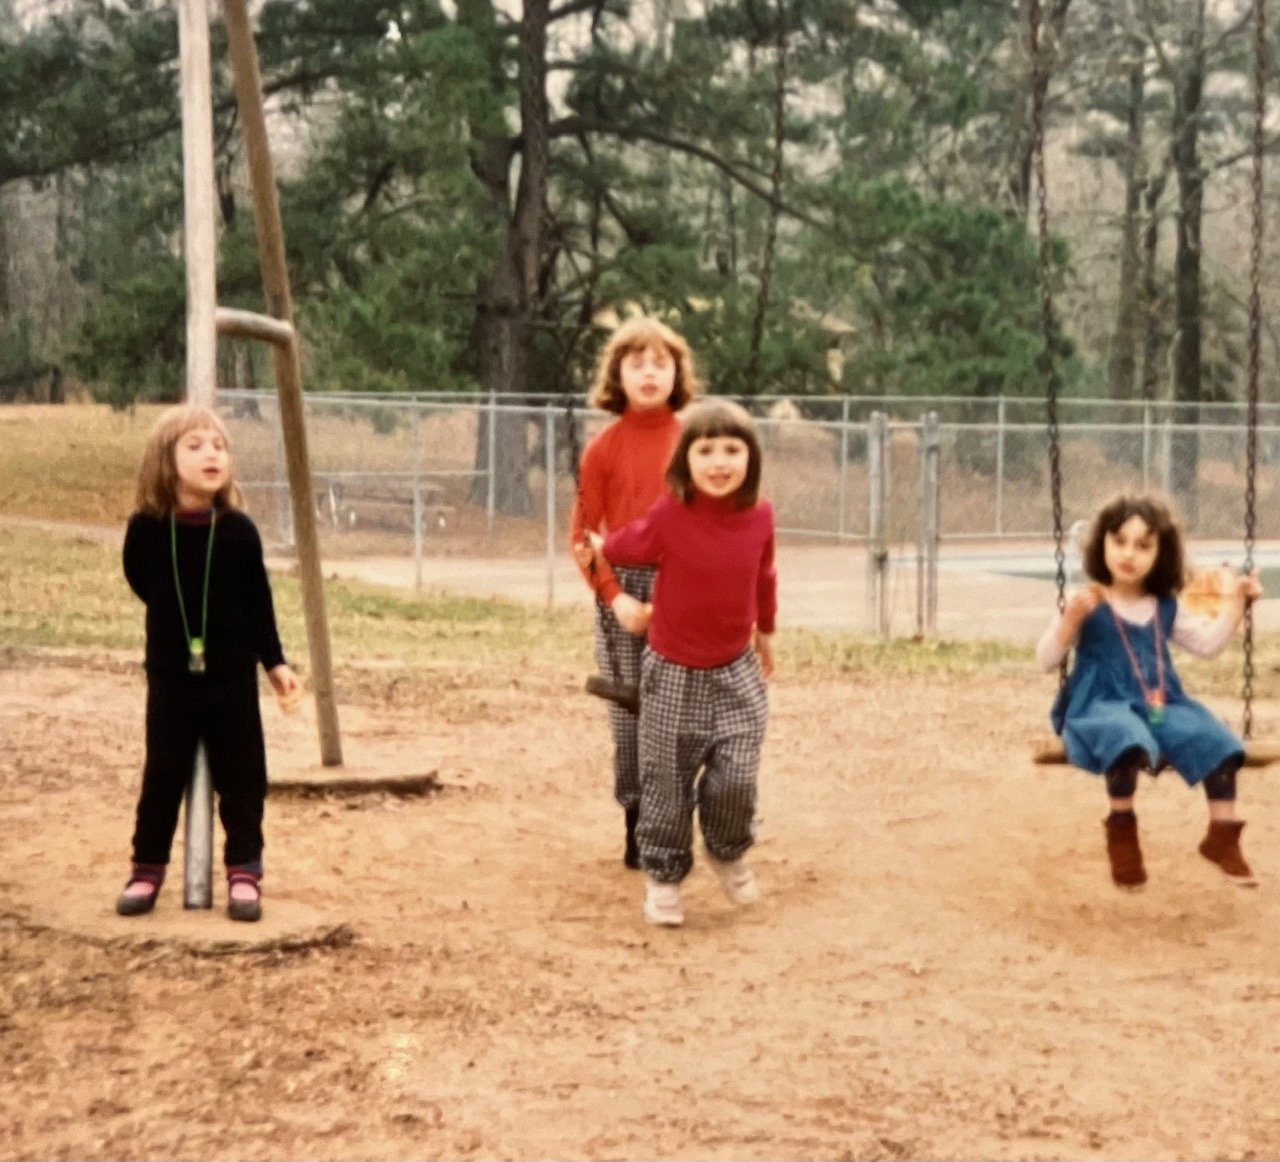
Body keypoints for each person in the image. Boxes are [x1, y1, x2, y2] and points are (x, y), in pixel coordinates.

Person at [578, 399, 776, 926]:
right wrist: (602, 549)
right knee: (665, 779)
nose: (718, 462)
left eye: (732, 450)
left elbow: (764, 577)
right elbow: (624, 546)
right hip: (672, 675)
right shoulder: (670, 516)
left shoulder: (760, 516)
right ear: (685, 461)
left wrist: (768, 635)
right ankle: (664, 876)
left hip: (735, 671)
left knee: (737, 773)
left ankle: (728, 848)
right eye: (705, 450)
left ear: (750, 459)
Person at [116, 404, 300, 922]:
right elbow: (142, 584)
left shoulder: (238, 530)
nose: (211, 455)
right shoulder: (147, 530)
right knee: (163, 775)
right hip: (173, 679)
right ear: (165, 462)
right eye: (194, 446)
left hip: (231, 678)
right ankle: (146, 868)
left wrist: (275, 663)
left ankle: (244, 871)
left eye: (218, 446)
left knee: (243, 776)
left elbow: (259, 602)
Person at [1036, 492, 1262, 890]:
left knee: (1219, 740)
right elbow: (1045, 659)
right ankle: (1122, 831)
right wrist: (1068, 624)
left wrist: (1238, 606)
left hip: (1159, 704)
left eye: (1144, 545)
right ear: (1102, 543)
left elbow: (1207, 646)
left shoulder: (1164, 606)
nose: (1129, 554)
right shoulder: (1088, 602)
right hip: (1101, 704)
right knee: (1125, 737)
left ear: (1161, 553)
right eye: (1119, 541)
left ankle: (1221, 835)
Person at [569, 316, 702, 869]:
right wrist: (616, 597)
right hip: (621, 591)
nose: (649, 374)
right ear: (617, 375)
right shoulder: (603, 449)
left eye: (661, 364)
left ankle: (673, 825)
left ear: (677, 374)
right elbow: (583, 536)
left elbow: (709, 527)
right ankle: (636, 822)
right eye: (636, 363)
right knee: (631, 718)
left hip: (682, 591)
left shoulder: (694, 445)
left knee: (681, 717)